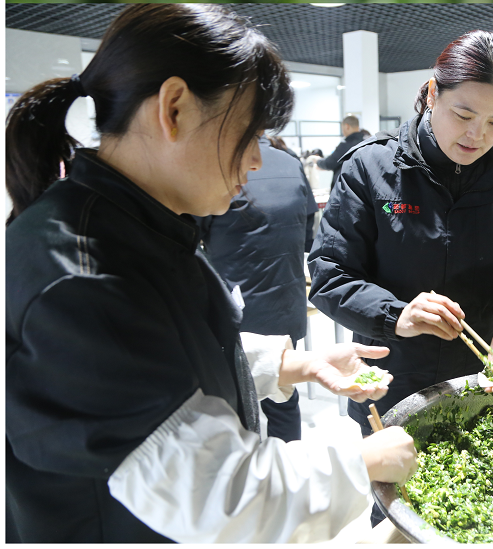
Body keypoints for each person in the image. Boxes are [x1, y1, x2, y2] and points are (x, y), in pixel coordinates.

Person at [5, 5, 417, 543]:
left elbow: (163, 355)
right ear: (174, 108)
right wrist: (358, 461)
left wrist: (290, 363)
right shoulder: (84, 280)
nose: (254, 162)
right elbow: (225, 502)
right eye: (248, 135)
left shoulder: (135, 223)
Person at [307, 30, 493, 526]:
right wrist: (395, 314)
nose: (477, 135)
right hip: (392, 381)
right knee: (401, 519)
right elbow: (329, 274)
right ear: (431, 93)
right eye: (463, 115)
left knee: (484, 513)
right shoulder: (372, 168)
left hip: (485, 382)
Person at [196, 134, 320, 443]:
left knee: (234, 401)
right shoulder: (290, 161)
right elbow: (308, 233)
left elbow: (191, 239)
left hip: (238, 311)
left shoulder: (218, 165)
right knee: (283, 396)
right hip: (287, 304)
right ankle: (289, 471)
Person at [310, 115, 367, 189]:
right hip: (363, 188)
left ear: (347, 126)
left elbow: (329, 163)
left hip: (347, 189)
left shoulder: (346, 144)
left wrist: (318, 161)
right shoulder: (366, 142)